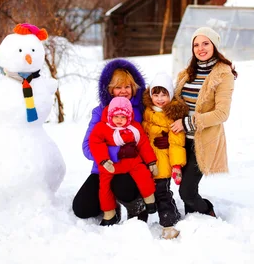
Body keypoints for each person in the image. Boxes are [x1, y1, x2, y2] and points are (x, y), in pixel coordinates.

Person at [72, 58, 151, 222]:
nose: (123, 91)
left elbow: (148, 142)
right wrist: (116, 152)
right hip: (103, 168)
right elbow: (87, 147)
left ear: (134, 87)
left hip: (131, 169)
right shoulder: (99, 112)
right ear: (109, 90)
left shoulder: (143, 111)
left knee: (123, 187)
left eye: (127, 86)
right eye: (118, 87)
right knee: (82, 208)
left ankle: (136, 205)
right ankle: (111, 208)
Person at [170, 27, 237, 217]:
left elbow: (222, 113)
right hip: (181, 141)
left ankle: (207, 211)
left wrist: (188, 123)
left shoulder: (223, 74)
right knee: (186, 189)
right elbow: (176, 104)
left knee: (187, 191)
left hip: (204, 141)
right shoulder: (185, 74)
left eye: (205, 43)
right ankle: (195, 221)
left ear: (214, 45)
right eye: (196, 44)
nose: (200, 48)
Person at [89, 97, 158, 226]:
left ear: (129, 116)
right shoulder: (102, 128)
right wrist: (104, 160)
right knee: (104, 187)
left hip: (132, 162)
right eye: (116, 116)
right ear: (110, 115)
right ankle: (109, 214)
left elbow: (143, 145)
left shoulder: (135, 128)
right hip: (111, 165)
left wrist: (151, 162)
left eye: (123, 117)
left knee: (144, 175)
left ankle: (149, 200)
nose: (119, 120)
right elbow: (95, 143)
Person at [142, 72, 189, 239]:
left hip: (163, 160)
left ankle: (168, 222)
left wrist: (176, 165)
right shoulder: (146, 110)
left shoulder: (173, 114)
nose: (160, 98)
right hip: (146, 159)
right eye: (156, 94)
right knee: (148, 191)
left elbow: (177, 142)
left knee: (162, 192)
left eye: (164, 94)